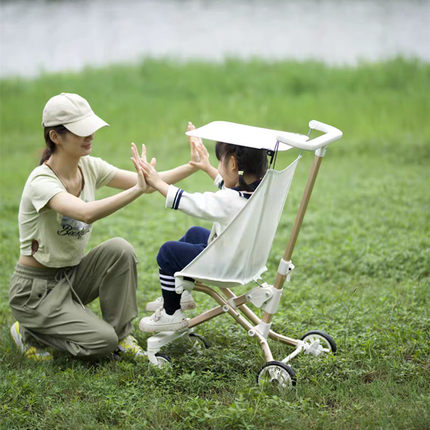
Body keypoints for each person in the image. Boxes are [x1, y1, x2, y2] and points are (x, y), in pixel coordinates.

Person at [9, 92, 202, 361]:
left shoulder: (89, 166)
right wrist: (138, 188)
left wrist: (194, 166)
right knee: (102, 342)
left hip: (71, 276)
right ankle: (30, 329)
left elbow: (149, 181)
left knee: (119, 249)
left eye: (91, 128)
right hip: (36, 291)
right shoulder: (41, 181)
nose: (90, 136)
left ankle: (122, 335)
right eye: (81, 131)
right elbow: (86, 214)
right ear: (55, 137)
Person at [138, 130, 269, 333]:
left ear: (233, 164)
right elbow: (230, 190)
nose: (218, 167)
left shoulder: (230, 201)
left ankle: (171, 313)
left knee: (169, 252)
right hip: (245, 256)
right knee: (194, 233)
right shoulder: (261, 192)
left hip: (227, 266)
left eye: (219, 162)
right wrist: (207, 167)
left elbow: (191, 202)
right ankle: (182, 294)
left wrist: (157, 181)